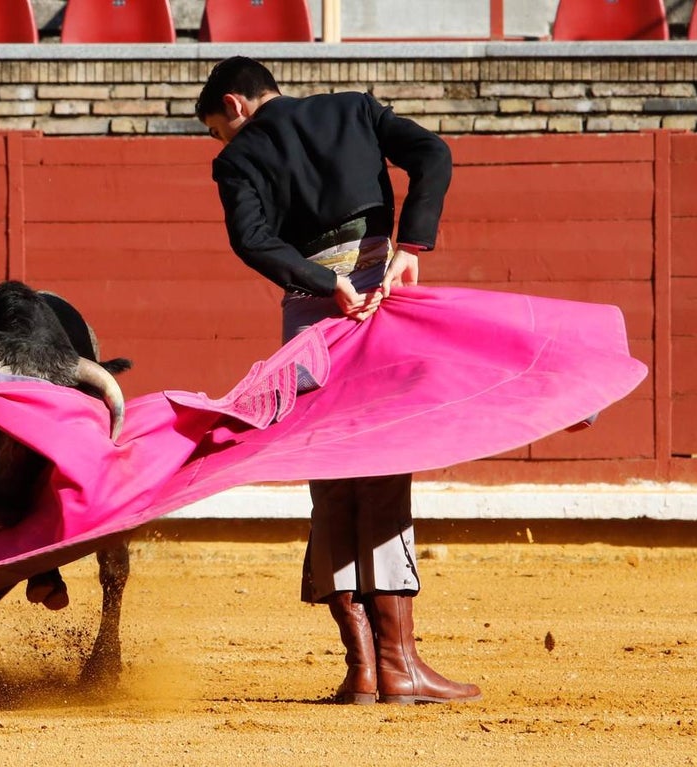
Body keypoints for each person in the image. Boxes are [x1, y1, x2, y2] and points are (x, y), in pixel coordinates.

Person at [195, 56, 481, 705]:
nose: (222, 141)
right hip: (383, 293)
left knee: (331, 482)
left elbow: (253, 239)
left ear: (235, 105)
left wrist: (325, 282)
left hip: (312, 316)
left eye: (218, 128)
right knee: (383, 465)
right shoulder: (352, 108)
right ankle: (397, 664)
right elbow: (433, 154)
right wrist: (412, 245)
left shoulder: (237, 158)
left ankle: (362, 669)